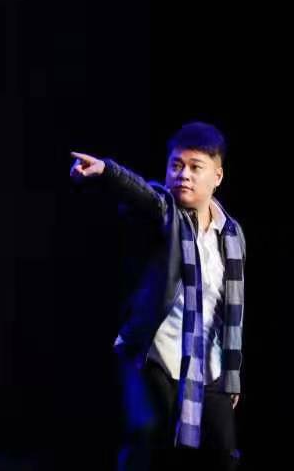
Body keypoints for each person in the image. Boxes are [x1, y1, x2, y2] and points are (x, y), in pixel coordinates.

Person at [69, 122, 245, 471]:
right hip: (152, 354)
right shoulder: (165, 211)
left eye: (195, 167)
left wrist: (232, 371)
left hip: (205, 363)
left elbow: (232, 310)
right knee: (147, 434)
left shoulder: (232, 234)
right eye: (176, 165)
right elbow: (142, 193)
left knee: (224, 454)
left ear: (218, 175)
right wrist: (106, 170)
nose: (183, 175)